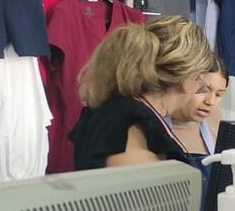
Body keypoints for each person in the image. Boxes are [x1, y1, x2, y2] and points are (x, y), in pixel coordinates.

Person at [71, 16, 217, 170]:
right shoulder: (134, 122)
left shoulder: (108, 110)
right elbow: (138, 191)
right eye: (202, 83)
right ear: (188, 80)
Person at [169, 58, 229, 155]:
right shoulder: (153, 123)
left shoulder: (216, 119)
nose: (210, 101)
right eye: (203, 90)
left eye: (218, 94)